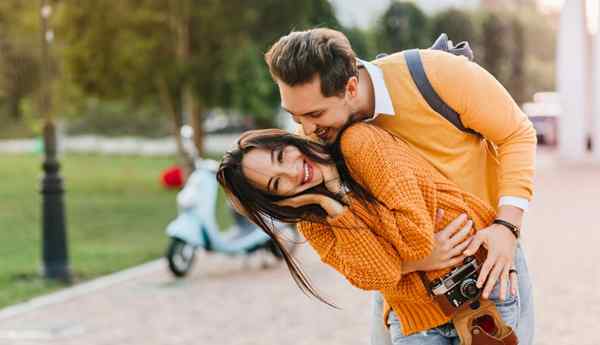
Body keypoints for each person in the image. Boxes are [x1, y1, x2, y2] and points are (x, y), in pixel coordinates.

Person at [262, 28, 536, 345]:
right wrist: (413, 261)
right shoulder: (317, 144)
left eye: (315, 113)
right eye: (294, 115)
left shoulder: (436, 75)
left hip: (485, 269)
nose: (306, 128)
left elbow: (516, 133)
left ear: (350, 87)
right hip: (404, 296)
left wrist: (507, 226)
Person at [217, 122, 520, 344]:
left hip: (485, 288)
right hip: (418, 322)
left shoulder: (359, 144)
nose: (294, 173)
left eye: (282, 157)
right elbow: (380, 276)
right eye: (277, 184)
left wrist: (404, 260)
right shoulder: (313, 223)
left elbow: (415, 242)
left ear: (288, 141)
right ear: (277, 199)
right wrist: (336, 203)